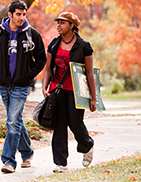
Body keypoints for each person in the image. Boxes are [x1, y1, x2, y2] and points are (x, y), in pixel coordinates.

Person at [0, 0, 47, 173]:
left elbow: (41, 59)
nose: (21, 17)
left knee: (12, 121)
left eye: (24, 14)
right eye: (18, 14)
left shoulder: (31, 34)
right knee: (16, 120)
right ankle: (27, 152)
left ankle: (9, 161)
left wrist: (27, 75)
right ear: (10, 15)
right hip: (4, 84)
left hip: (21, 85)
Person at [41, 12, 96, 173]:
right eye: (57, 22)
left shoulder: (84, 46)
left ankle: (87, 145)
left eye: (62, 23)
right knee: (59, 125)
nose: (58, 25)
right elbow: (48, 68)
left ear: (72, 25)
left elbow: (90, 73)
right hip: (57, 91)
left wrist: (93, 97)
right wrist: (45, 87)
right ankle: (60, 163)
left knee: (75, 122)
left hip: (75, 92)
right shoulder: (54, 44)